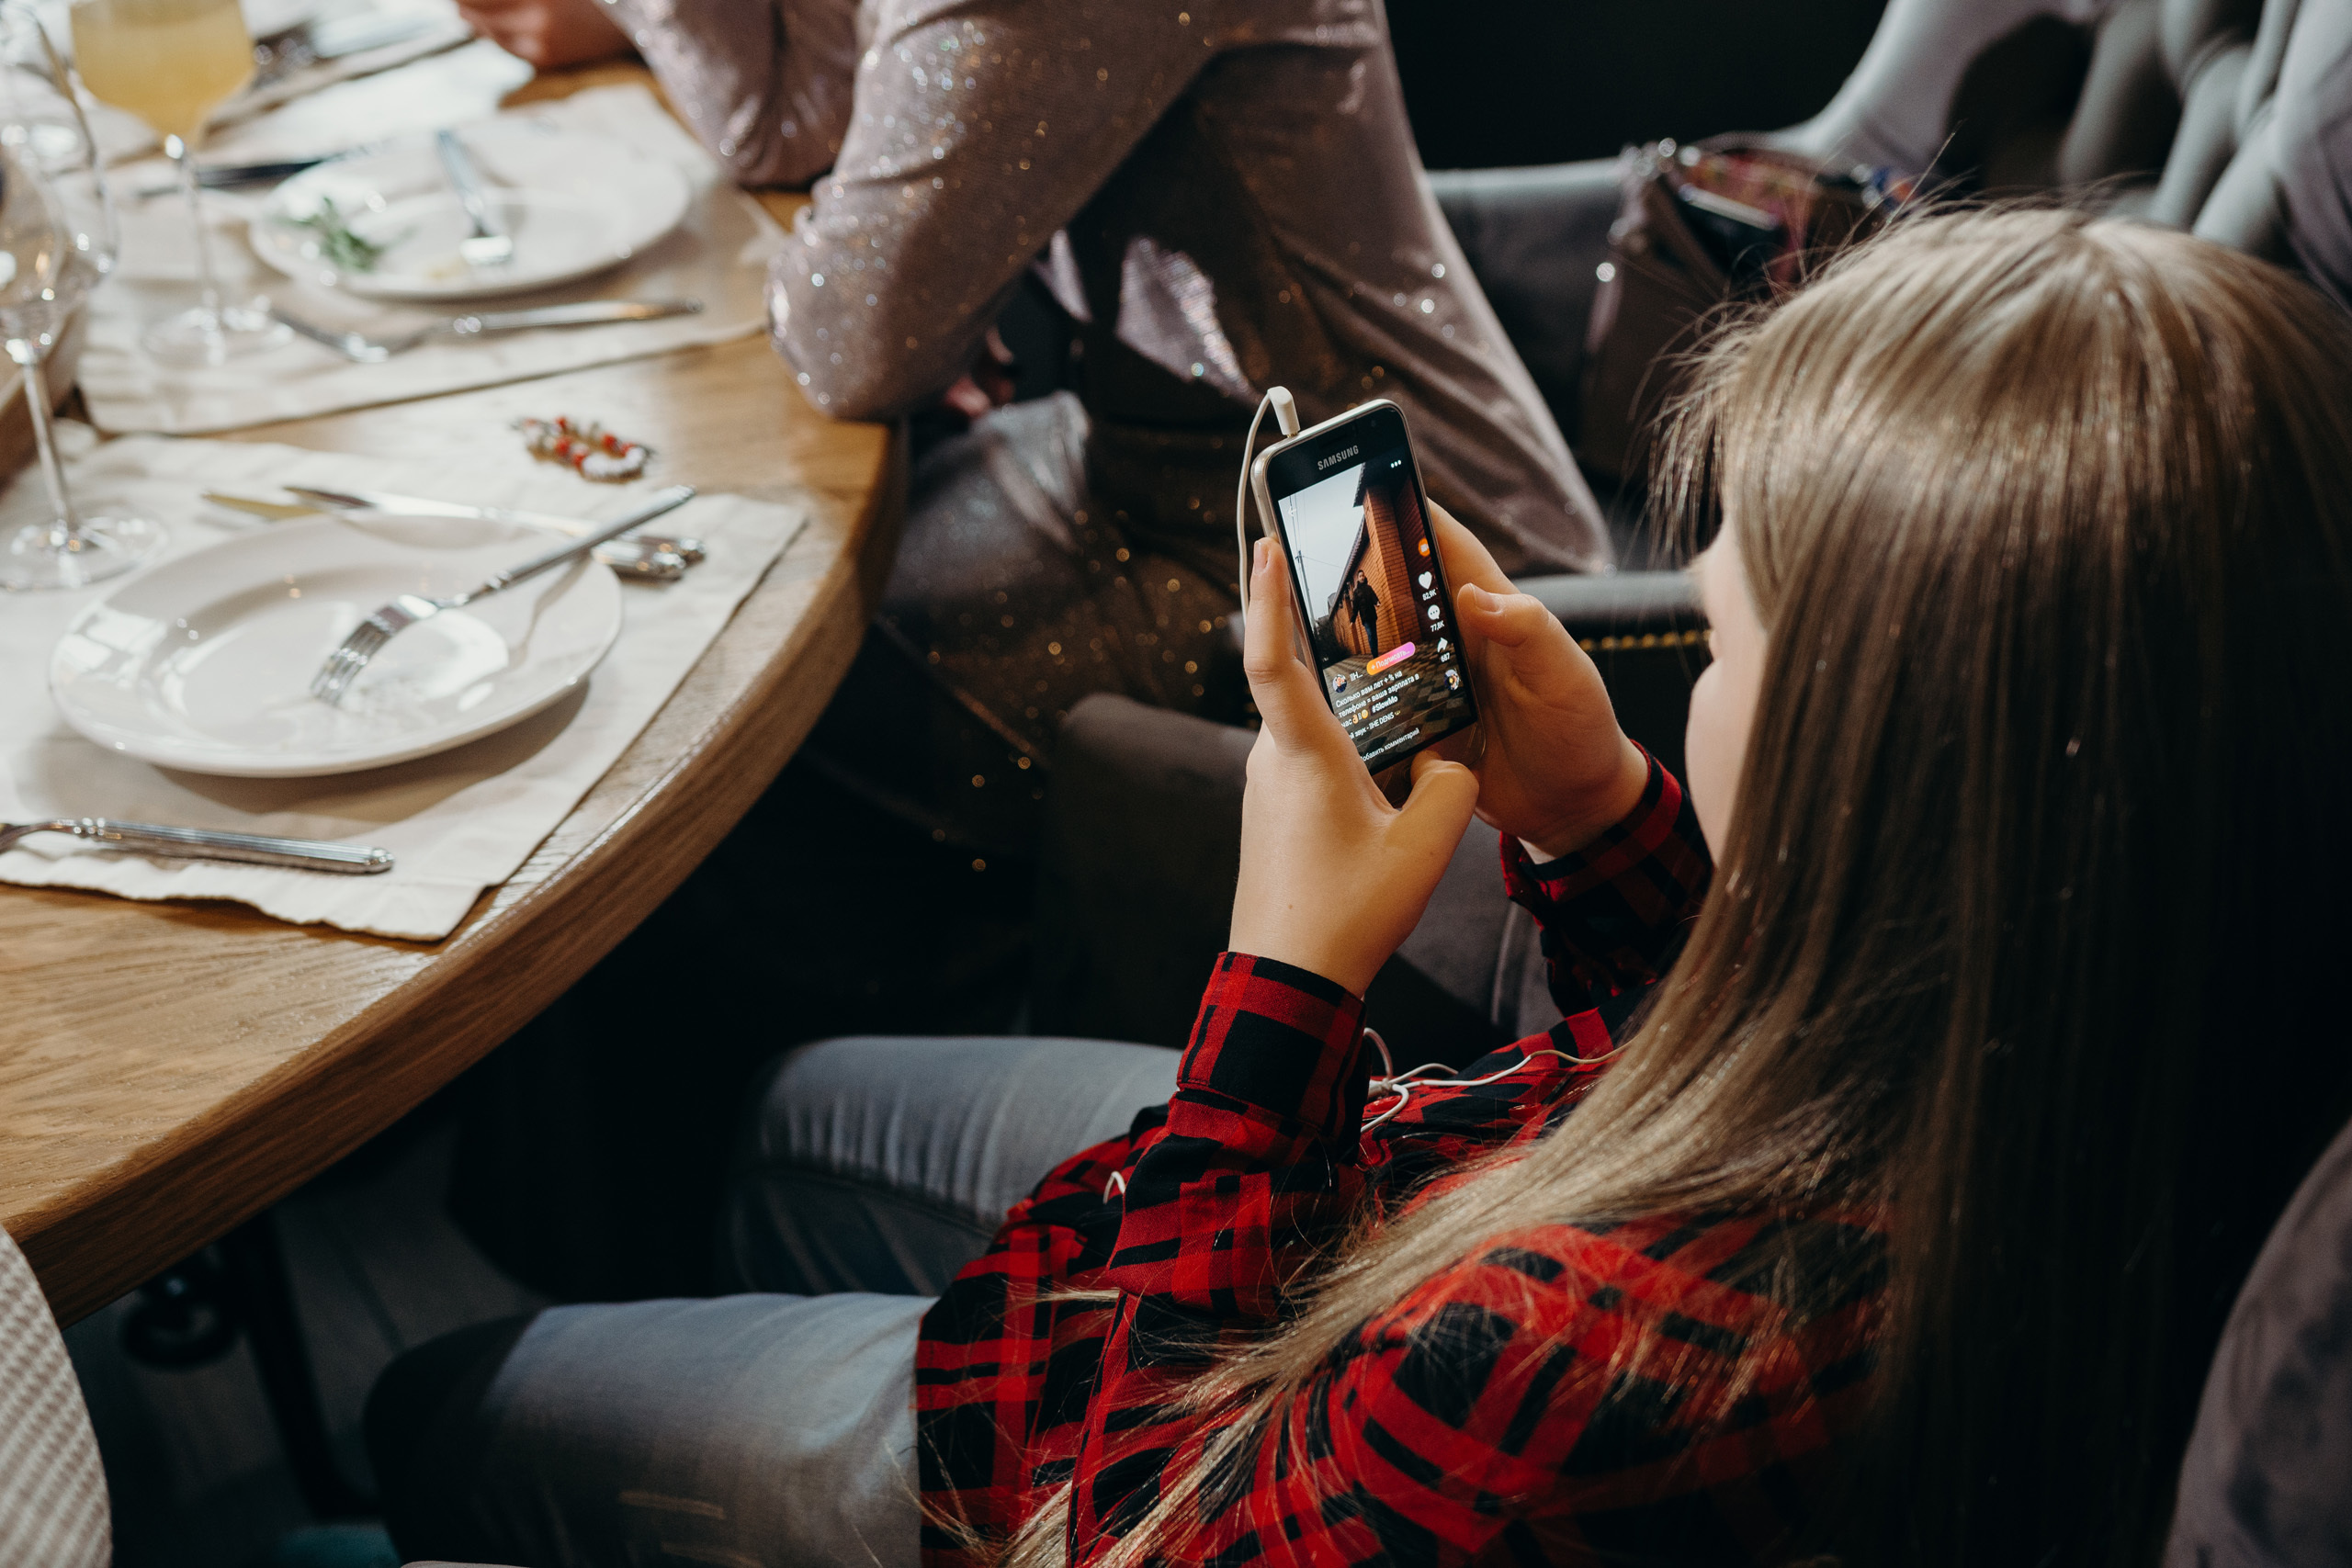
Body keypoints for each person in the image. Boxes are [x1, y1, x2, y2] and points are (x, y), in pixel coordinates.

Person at [372, 209, 2352, 1566]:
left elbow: (1137, 1518)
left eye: (1726, 640)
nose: (1689, 662)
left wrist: (1286, 966)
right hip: (1348, 1229)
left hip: (1136, 1413)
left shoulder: (1583, 1358)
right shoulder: (2076, 1040)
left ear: (1891, 774)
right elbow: (1707, 1064)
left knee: (458, 1398)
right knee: (802, 1110)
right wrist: (1587, 809)